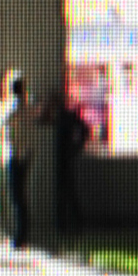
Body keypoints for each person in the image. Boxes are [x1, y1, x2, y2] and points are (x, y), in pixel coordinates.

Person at [0, 70, 38, 248]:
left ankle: (20, 236)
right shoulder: (29, 105)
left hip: (16, 155)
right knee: (20, 195)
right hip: (26, 154)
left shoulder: (14, 107)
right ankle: (22, 234)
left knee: (17, 196)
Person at [51, 89, 93, 235]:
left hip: (63, 159)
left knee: (66, 192)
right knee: (67, 192)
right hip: (63, 158)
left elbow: (85, 129)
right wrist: (76, 147)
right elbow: (85, 129)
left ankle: (69, 224)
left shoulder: (65, 117)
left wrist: (76, 147)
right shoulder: (64, 117)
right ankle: (72, 223)